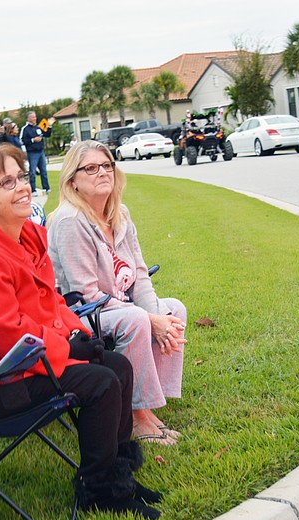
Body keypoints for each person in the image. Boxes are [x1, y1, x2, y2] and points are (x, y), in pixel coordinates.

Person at [0, 143, 162, 520]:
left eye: (21, 176)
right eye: (7, 182)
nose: (23, 186)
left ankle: (119, 477)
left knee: (117, 366)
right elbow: (10, 337)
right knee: (100, 382)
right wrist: (68, 349)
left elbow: (51, 302)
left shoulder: (27, 238)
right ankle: (99, 492)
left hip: (23, 361)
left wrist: (77, 336)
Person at [47, 140, 188, 446]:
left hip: (117, 303)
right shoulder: (70, 222)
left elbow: (138, 273)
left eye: (107, 165)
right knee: (136, 319)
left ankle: (152, 401)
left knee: (173, 310)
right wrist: (148, 319)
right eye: (91, 168)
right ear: (73, 180)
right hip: (79, 315)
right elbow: (84, 293)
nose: (103, 173)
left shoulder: (119, 213)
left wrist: (157, 316)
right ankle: (136, 416)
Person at [20, 111, 52, 194]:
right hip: (32, 153)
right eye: (33, 117)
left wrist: (49, 125)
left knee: (44, 171)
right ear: (28, 118)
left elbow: (47, 134)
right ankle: (33, 189)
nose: (35, 118)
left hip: (41, 151)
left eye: (35, 117)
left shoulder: (38, 127)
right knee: (33, 172)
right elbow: (22, 141)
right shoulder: (25, 129)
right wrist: (33, 140)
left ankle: (46, 187)